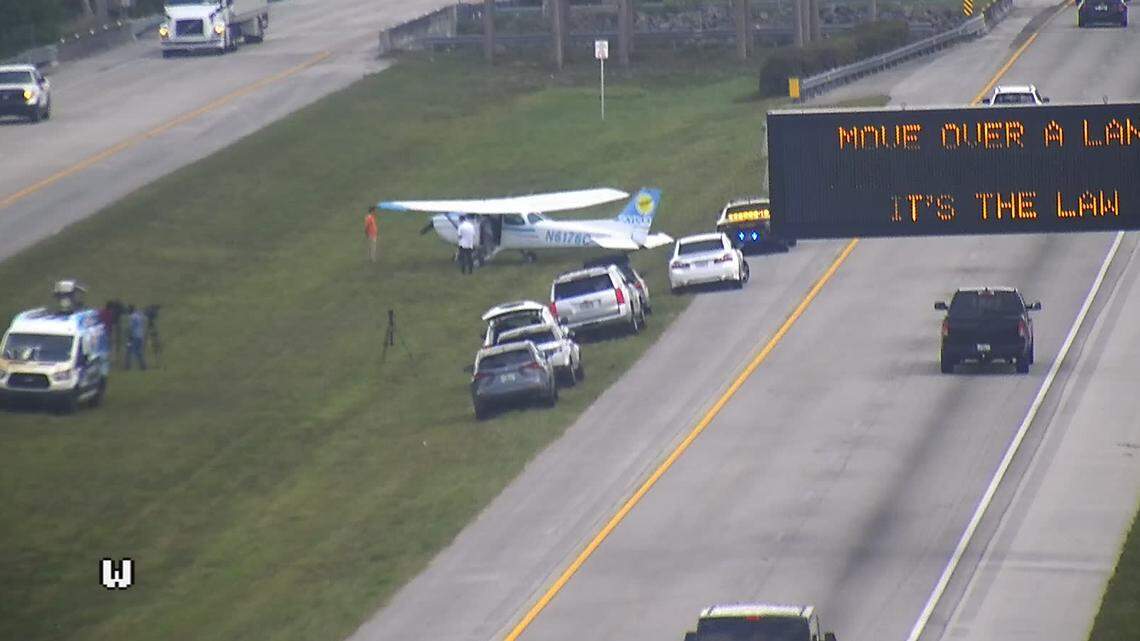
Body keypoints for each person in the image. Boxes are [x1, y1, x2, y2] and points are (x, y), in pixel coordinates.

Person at [124, 305, 148, 371]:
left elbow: (131, 327)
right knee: (138, 351)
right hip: (140, 335)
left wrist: (128, 335)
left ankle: (127, 366)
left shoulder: (132, 317)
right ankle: (143, 366)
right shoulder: (139, 315)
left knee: (130, 350)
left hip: (134, 336)